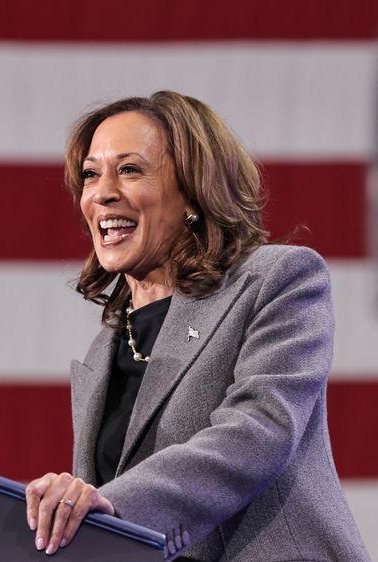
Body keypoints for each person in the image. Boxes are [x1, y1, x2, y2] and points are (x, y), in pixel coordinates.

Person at [24, 91, 369, 561]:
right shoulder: (105, 350)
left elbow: (257, 431)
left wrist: (112, 505)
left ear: (192, 190)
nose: (102, 192)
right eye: (90, 174)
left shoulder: (276, 280)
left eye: (129, 169)